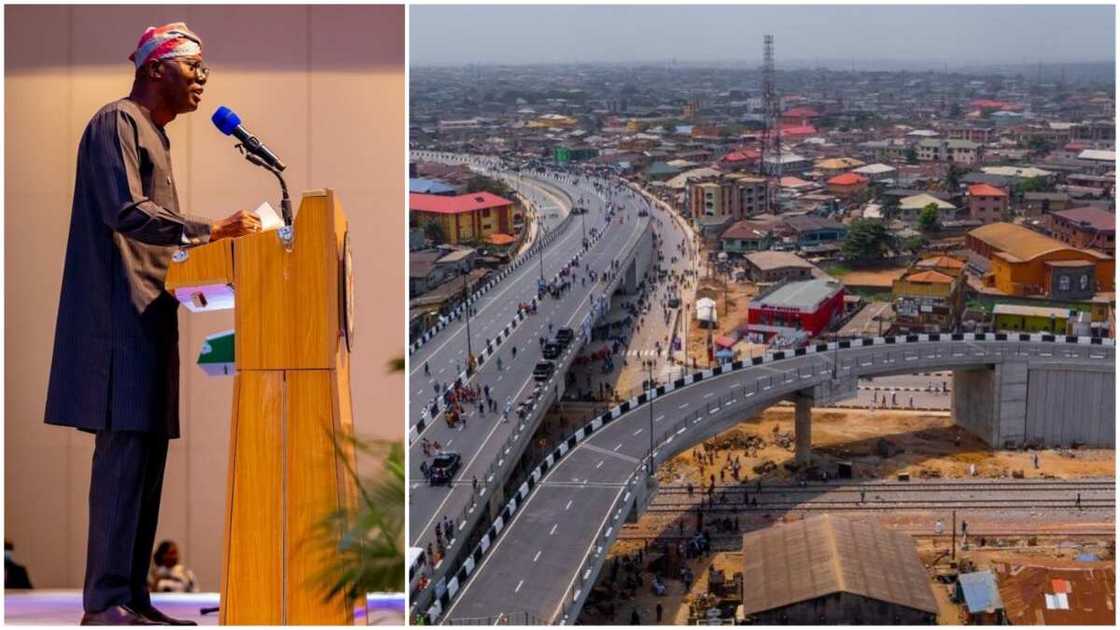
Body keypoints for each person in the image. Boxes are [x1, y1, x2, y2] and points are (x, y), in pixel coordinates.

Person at [43, 22, 260, 627]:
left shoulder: (156, 137)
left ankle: (131, 598)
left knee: (146, 464)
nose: (202, 83)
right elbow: (126, 211)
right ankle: (104, 601)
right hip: (117, 321)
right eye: (195, 69)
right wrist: (208, 230)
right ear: (157, 67)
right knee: (121, 465)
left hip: (150, 316)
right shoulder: (117, 121)